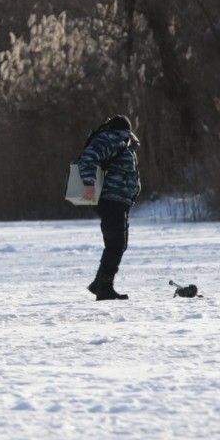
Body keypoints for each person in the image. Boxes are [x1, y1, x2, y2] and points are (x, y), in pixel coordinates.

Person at [77, 115, 141, 301]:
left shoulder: (122, 142)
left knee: (119, 244)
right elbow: (88, 158)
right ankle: (104, 288)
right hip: (111, 199)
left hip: (119, 200)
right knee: (116, 244)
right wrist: (89, 184)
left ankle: (99, 284)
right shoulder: (111, 139)